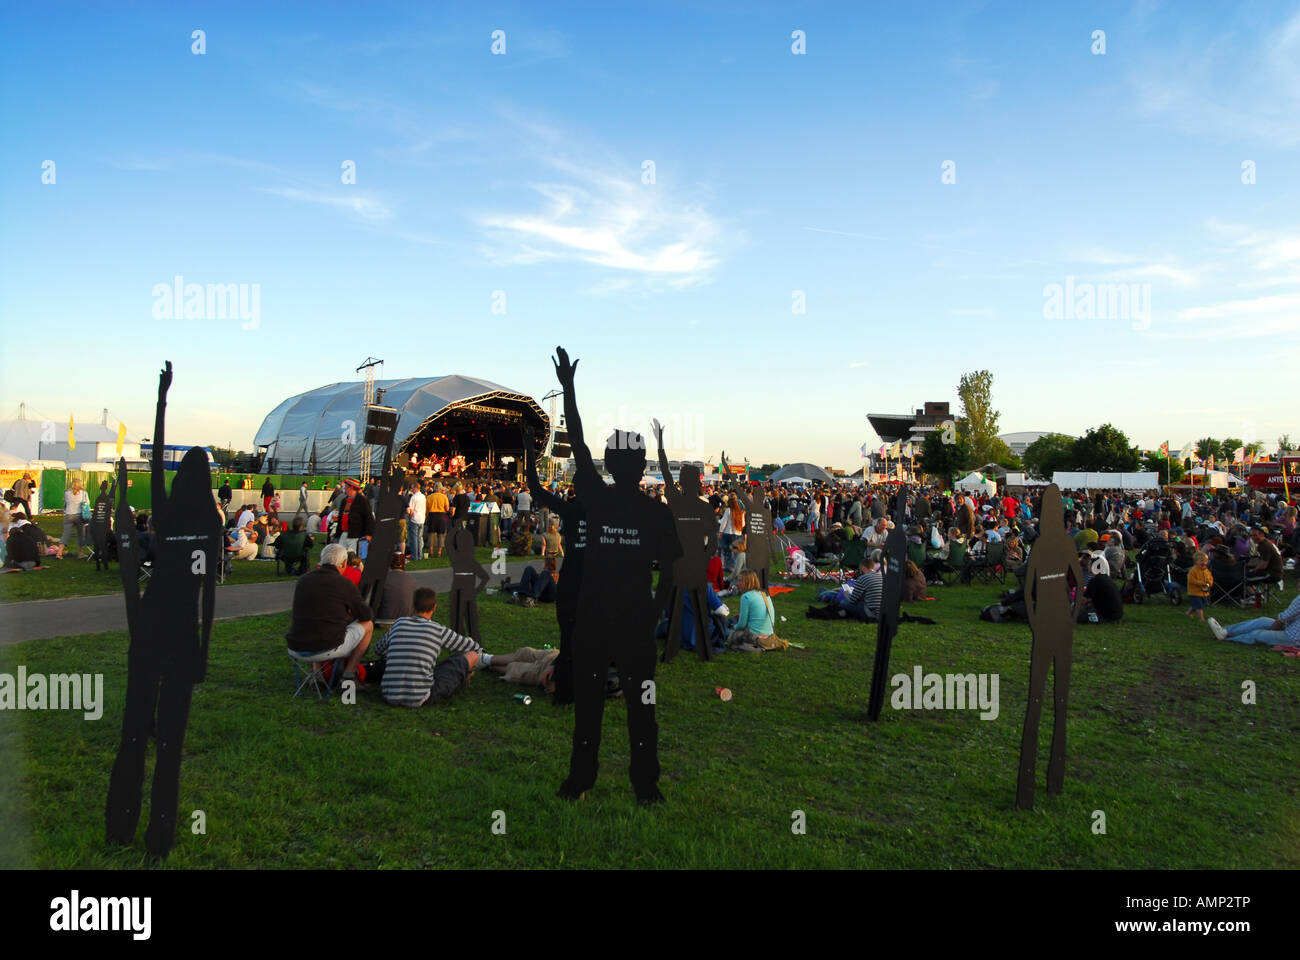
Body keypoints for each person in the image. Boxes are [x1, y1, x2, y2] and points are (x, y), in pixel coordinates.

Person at [376, 587, 484, 706]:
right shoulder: (438, 630)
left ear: (413, 606)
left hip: (388, 694)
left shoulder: (399, 623)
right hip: (420, 697)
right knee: (471, 656)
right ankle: (465, 677)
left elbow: (378, 649)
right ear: (434, 607)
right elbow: (474, 647)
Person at [286, 542, 375, 684]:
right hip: (326, 646)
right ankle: (349, 673)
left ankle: (316, 674)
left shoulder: (303, 580)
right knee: (368, 625)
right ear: (344, 563)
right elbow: (366, 615)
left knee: (315, 625)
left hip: (296, 646)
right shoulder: (343, 583)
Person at [1209, 592, 1300, 648]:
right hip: (1290, 628)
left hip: (1293, 638)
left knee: (1258, 634)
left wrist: (1272, 630)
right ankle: (1224, 632)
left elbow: (1282, 620)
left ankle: (1229, 639)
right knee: (1263, 621)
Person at [728, 570, 778, 651]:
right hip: (769, 635)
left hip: (754, 636)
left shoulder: (746, 596)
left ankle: (752, 647)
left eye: (740, 580)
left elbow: (742, 625)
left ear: (747, 582)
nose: (738, 583)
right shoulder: (764, 594)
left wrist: (733, 627)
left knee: (726, 631)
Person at [376, 551, 416, 620]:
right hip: (407, 620)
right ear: (404, 564)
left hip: (385, 619)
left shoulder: (383, 579)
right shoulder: (412, 581)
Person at [63, 476, 90, 557]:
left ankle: (59, 552)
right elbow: (87, 504)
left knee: (66, 535)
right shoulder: (84, 493)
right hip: (79, 515)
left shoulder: (67, 493)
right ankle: (80, 553)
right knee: (80, 535)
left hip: (68, 515)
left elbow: (65, 502)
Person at [1186, 550, 1212, 621]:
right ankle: (1201, 618)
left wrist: (1210, 583)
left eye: (1205, 561)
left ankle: (1188, 612)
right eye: (1201, 561)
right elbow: (1191, 580)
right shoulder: (1193, 571)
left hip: (1203, 592)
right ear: (1196, 562)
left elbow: (1210, 578)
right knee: (1199, 606)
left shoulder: (1206, 571)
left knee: (1198, 605)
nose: (1204, 563)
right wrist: (1201, 583)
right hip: (1194, 592)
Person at [425, 482, 450, 558]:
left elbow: (427, 509)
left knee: (431, 534)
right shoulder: (444, 497)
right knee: (441, 535)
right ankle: (439, 552)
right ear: (440, 489)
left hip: (432, 516)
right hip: (441, 516)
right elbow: (447, 508)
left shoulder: (429, 497)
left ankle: (431, 551)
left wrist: (426, 517)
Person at [406, 483, 426, 561]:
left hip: (415, 519)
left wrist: (410, 518)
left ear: (415, 488)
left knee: (414, 539)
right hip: (422, 519)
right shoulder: (423, 496)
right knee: (419, 538)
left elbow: (410, 510)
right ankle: (420, 555)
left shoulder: (413, 497)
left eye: (412, 488)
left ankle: (415, 556)